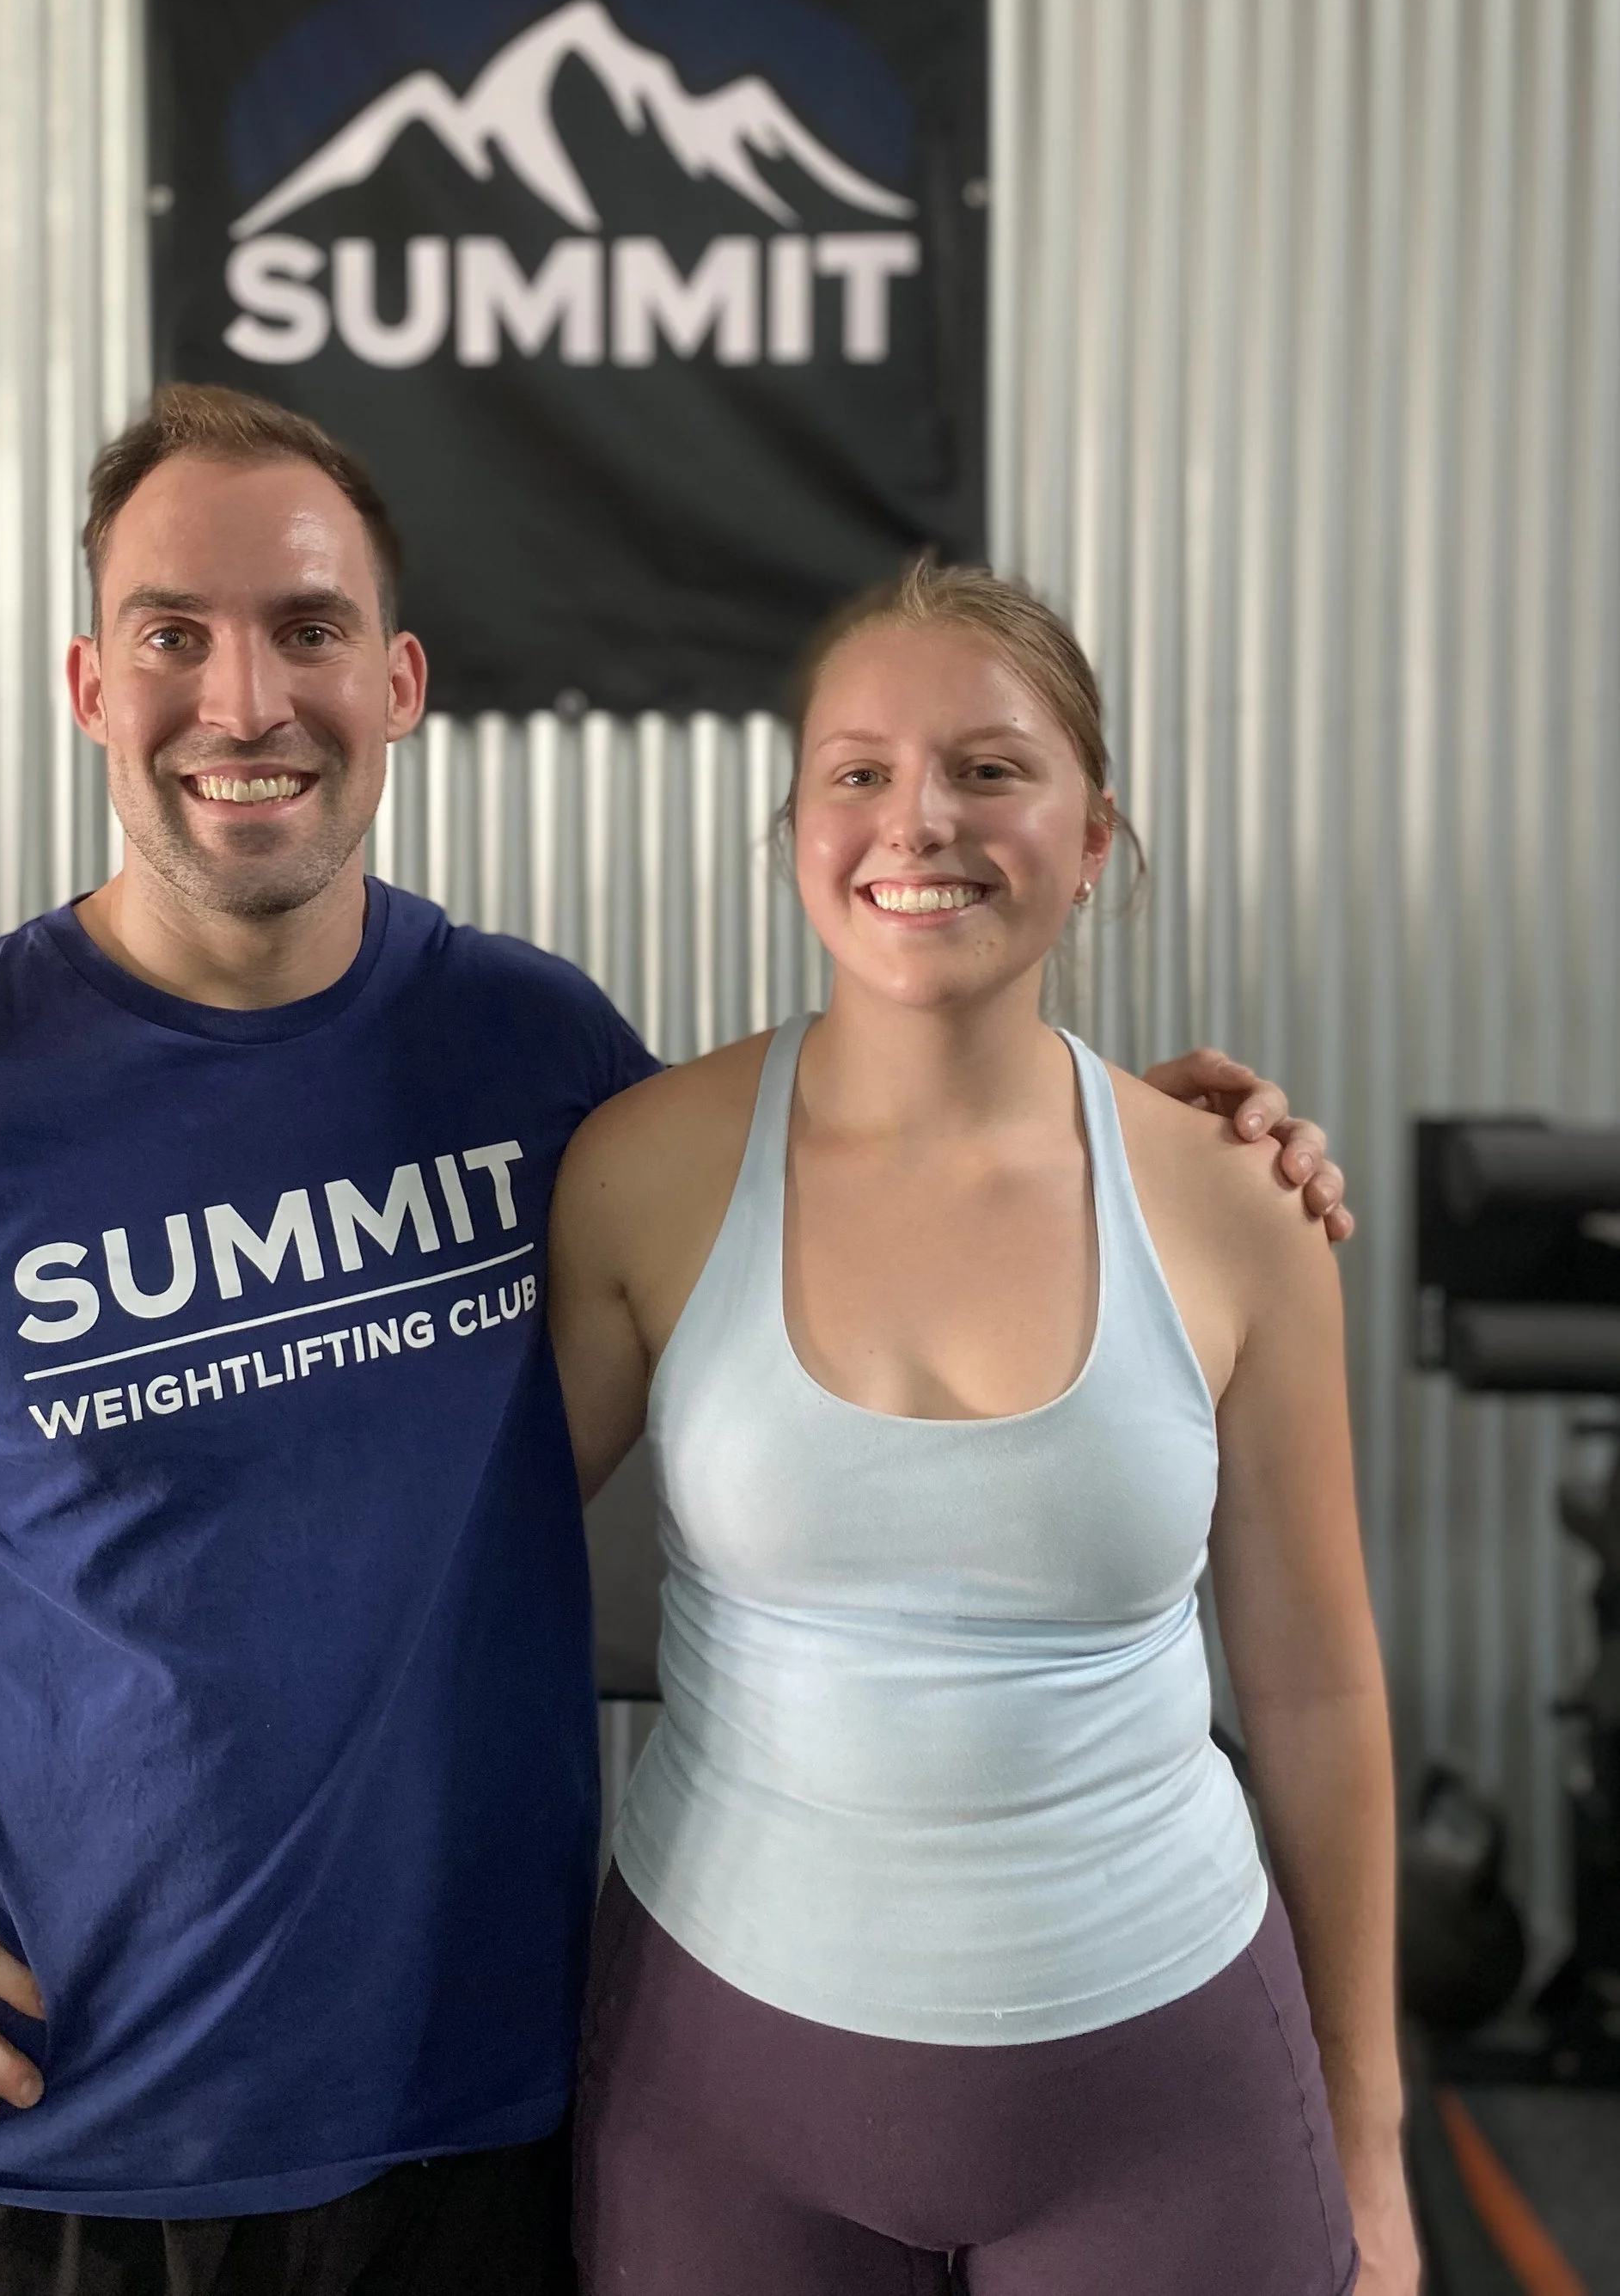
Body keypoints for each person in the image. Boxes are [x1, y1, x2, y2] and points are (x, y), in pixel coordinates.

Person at [0, 391, 1351, 2296]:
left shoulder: (536, 1059)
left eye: (303, 630)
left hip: (489, 2134)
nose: (242, 700)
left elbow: (840, 1189)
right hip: (50, 2148)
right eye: (170, 634)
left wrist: (1142, 1144)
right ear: (84, 683)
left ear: (397, 679)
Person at [550, 560, 1412, 2296]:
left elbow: (1314, 1692)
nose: (915, 819)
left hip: (1161, 2097)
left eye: (989, 767)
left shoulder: (1229, 1207)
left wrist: (1368, 2142)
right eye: (855, 770)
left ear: (1092, 835)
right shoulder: (643, 1171)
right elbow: (430, 1567)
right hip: (719, 2096)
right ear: (795, 825)